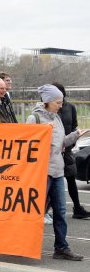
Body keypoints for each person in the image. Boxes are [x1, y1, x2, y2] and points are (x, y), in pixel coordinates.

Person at [26, 84, 88, 261]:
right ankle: (27, 245)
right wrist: (44, 133)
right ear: (47, 101)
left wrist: (76, 135)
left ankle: (61, 248)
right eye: (58, 102)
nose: (61, 105)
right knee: (35, 212)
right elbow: (28, 145)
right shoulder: (34, 118)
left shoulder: (57, 118)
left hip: (57, 171)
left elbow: (61, 144)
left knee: (60, 211)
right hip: (42, 173)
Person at [52, 82, 90, 219]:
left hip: (67, 149)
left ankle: (77, 208)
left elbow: (74, 125)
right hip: (53, 150)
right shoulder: (48, 109)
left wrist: (71, 142)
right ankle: (46, 209)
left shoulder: (70, 107)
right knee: (52, 181)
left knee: (71, 179)